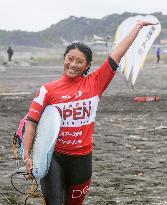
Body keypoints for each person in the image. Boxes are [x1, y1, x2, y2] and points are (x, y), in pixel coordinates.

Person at [23, 21, 158, 205]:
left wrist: (138, 26)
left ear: (87, 65)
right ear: (64, 59)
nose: (73, 64)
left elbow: (118, 53)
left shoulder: (95, 83)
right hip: (53, 156)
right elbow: (32, 123)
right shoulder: (47, 90)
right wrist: (28, 156)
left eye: (79, 61)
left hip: (82, 160)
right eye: (70, 58)